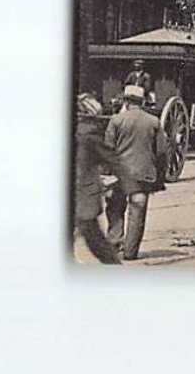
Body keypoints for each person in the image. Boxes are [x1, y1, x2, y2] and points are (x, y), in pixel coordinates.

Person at [104, 83, 169, 261]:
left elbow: (108, 149)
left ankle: (114, 241)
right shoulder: (153, 122)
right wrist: (159, 178)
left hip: (120, 176)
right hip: (143, 177)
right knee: (137, 213)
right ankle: (130, 253)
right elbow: (162, 152)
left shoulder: (116, 120)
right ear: (142, 101)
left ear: (126, 100)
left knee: (115, 207)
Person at [72, 94, 121, 265]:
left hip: (83, 197)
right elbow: (113, 159)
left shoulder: (88, 132)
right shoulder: (89, 133)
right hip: (85, 198)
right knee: (97, 243)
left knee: (95, 241)